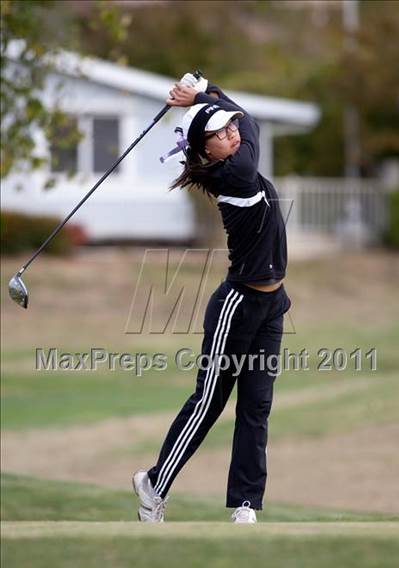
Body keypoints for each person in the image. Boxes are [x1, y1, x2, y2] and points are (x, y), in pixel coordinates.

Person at [133, 74, 291, 524]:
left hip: (271, 305)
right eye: (220, 133)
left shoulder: (236, 158)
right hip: (237, 306)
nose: (232, 133)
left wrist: (209, 89)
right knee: (210, 401)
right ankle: (154, 484)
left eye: (230, 129)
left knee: (256, 407)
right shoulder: (234, 174)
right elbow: (253, 124)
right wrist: (203, 97)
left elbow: (247, 122)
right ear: (207, 150)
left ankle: (245, 505)